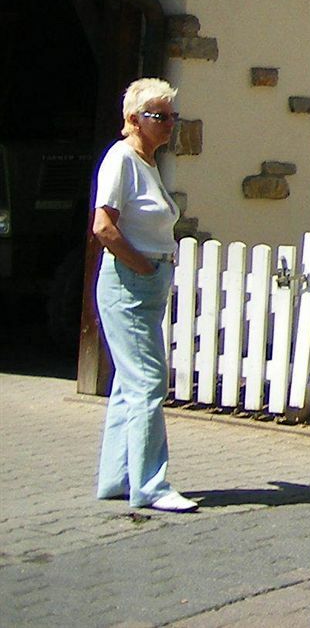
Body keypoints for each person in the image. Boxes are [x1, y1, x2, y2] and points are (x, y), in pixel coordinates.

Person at [92, 77, 196, 512]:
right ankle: (151, 485)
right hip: (129, 284)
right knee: (148, 382)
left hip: (147, 282)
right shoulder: (122, 159)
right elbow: (103, 226)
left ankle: (117, 478)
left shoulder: (146, 161)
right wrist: (142, 266)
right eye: (160, 115)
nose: (170, 123)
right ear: (133, 119)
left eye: (172, 115)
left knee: (128, 385)